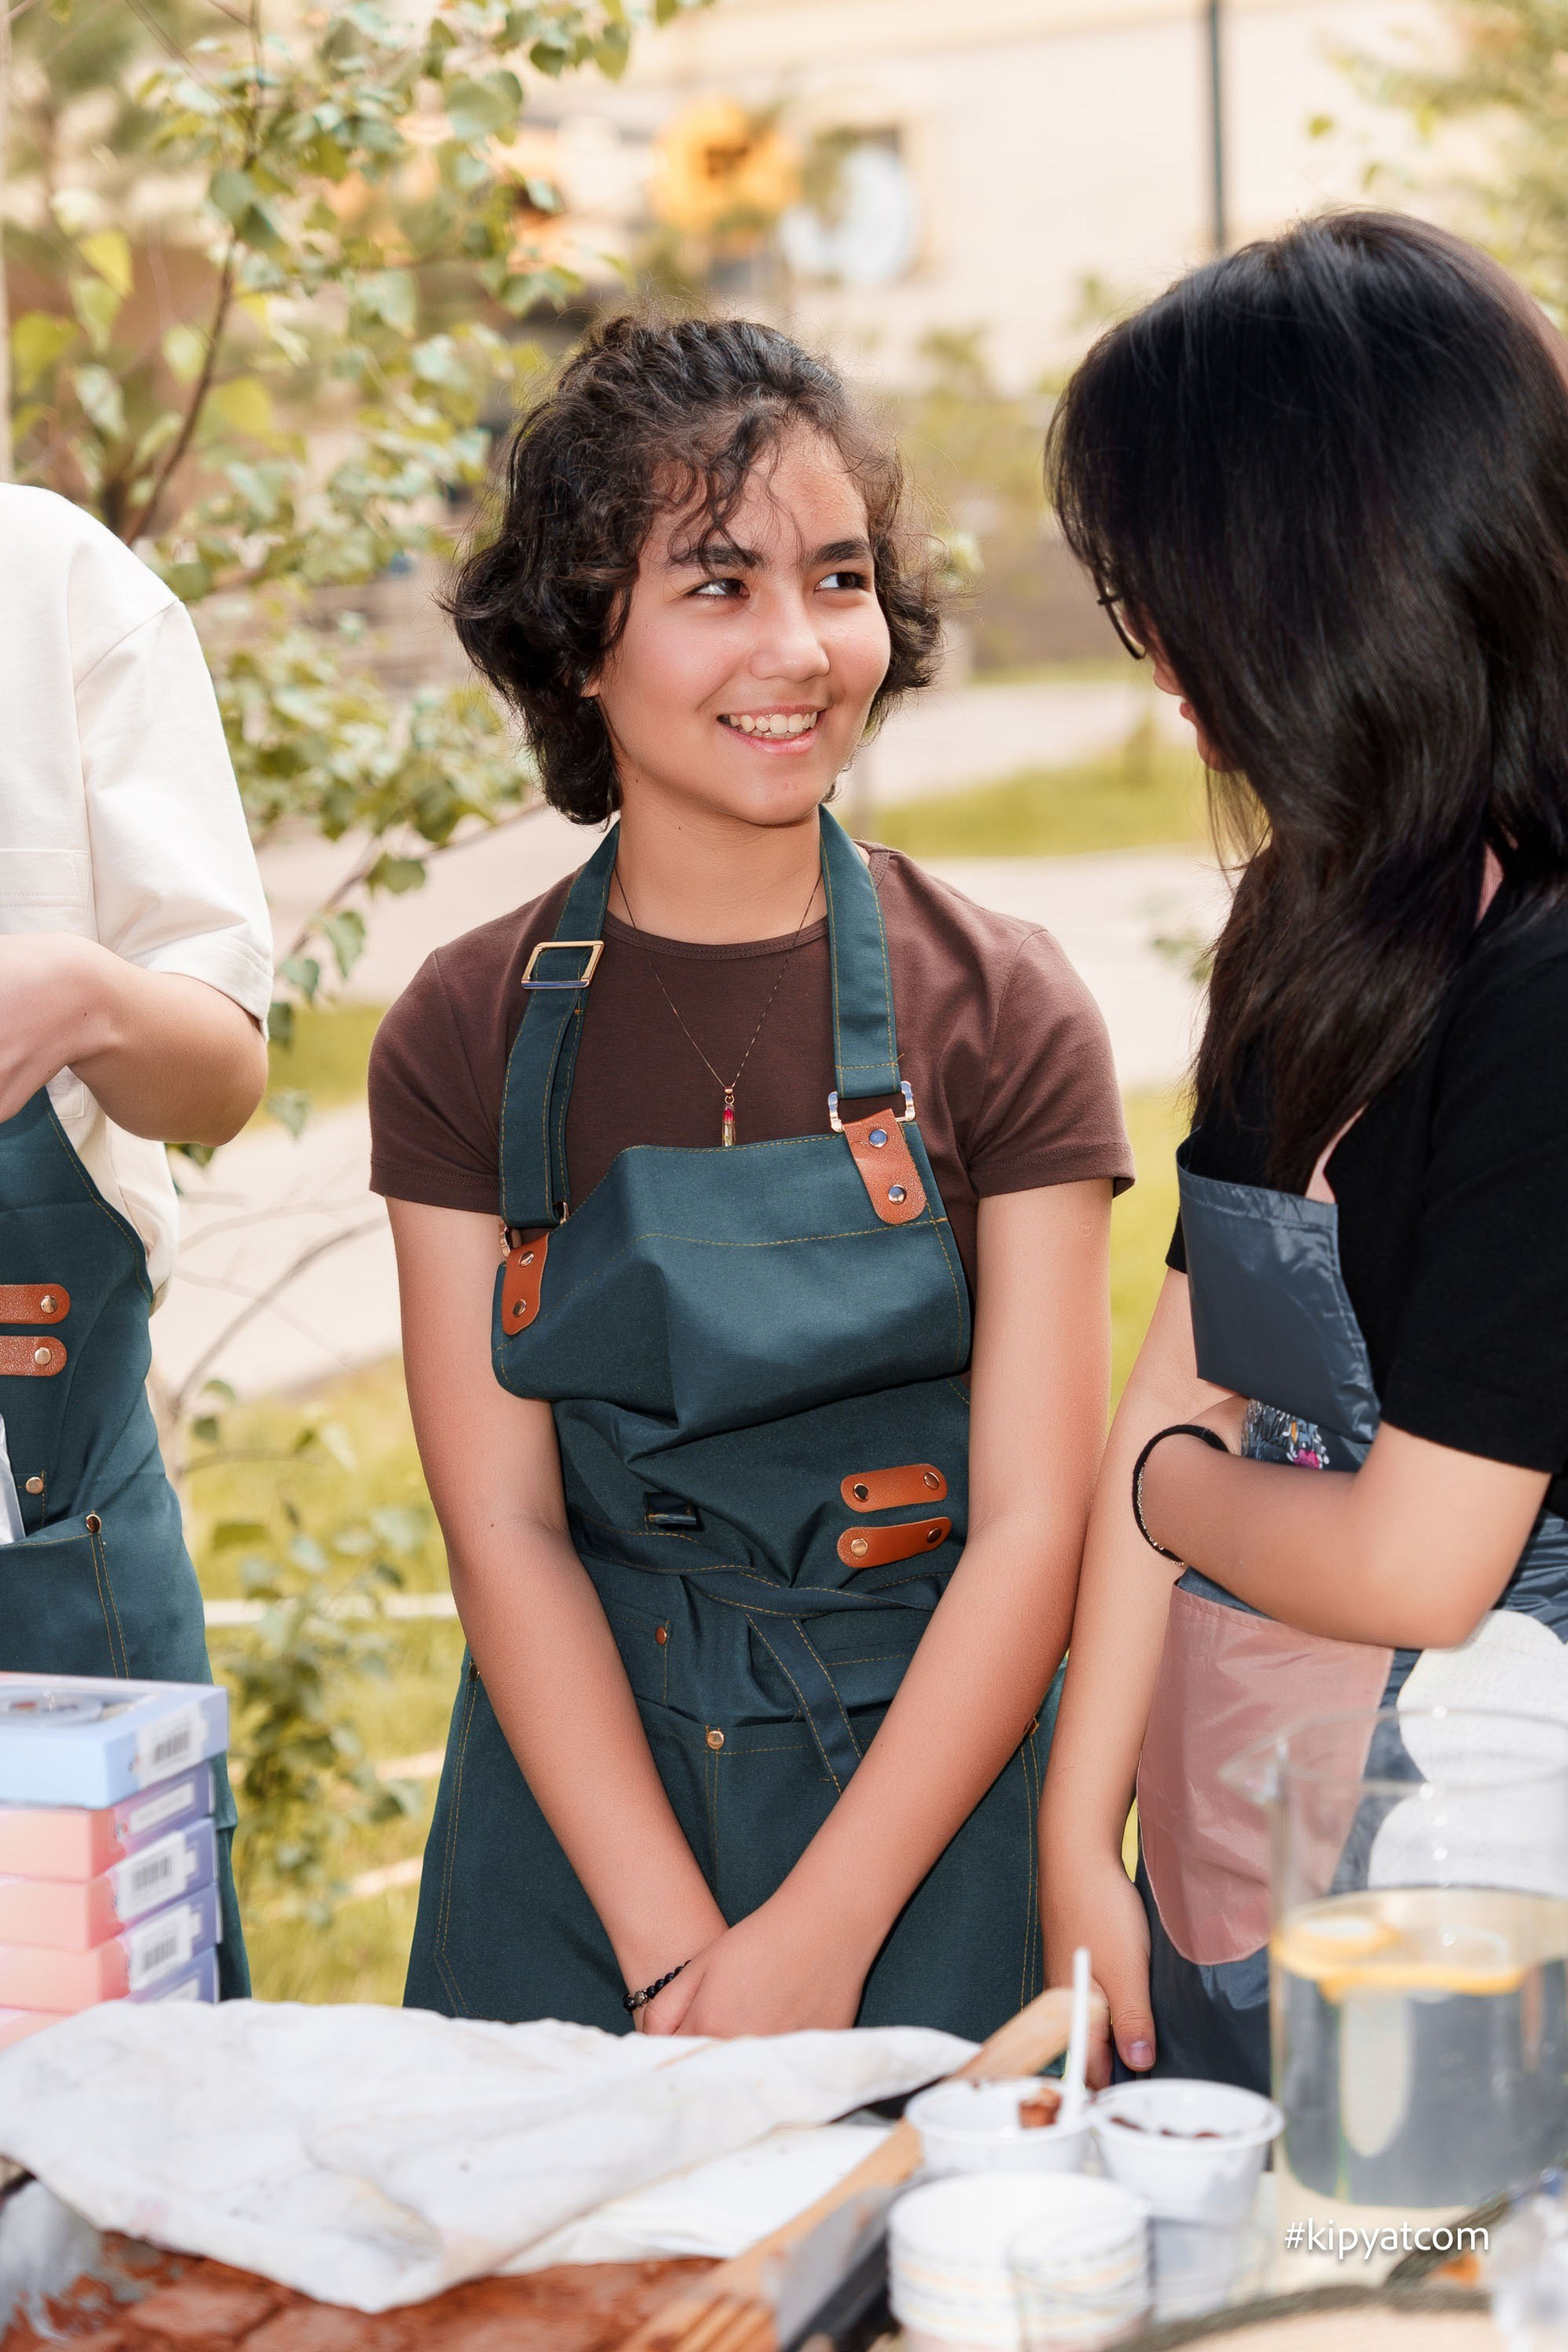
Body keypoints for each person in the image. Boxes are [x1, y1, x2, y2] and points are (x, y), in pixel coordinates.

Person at [369, 314, 1132, 2039]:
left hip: (929, 1817)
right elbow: (502, 1527)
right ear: (580, 638)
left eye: (840, 578)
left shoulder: (1006, 1005)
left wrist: (823, 1931)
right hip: (582, 1821)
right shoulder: (464, 1029)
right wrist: (671, 1953)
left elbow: (1034, 1525)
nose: (798, 648)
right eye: (717, 586)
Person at [1038, 211, 1568, 2092]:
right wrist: (1073, 1836)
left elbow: (1426, 1564)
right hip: (1251, 1826)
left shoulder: (1544, 987)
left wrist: (1187, 1501)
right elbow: (1182, 1345)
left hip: (1481, 1904)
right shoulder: (1310, 909)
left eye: (1159, 588)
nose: (1157, 650)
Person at [0, 484, 273, 1991]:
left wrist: (88, 997)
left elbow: (220, 1075)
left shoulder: (49, 587)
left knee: (113, 2115)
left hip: (44, 1547)